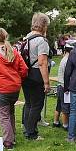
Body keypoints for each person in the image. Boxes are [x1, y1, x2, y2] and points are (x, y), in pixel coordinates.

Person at [0, 27, 27, 150]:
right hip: (14, 88)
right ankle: (12, 136)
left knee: (4, 115)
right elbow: (24, 69)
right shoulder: (14, 51)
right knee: (10, 112)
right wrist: (18, 79)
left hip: (2, 89)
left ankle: (8, 142)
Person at [20, 12, 52, 141]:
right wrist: (46, 82)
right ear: (43, 25)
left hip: (25, 74)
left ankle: (26, 127)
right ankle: (31, 133)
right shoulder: (41, 41)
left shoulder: (25, 39)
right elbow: (42, 62)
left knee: (28, 103)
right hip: (36, 74)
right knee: (37, 104)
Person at [53, 40, 74, 129]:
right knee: (65, 107)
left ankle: (56, 121)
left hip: (60, 85)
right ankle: (66, 125)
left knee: (59, 106)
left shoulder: (63, 59)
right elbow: (68, 76)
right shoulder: (67, 61)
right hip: (64, 86)